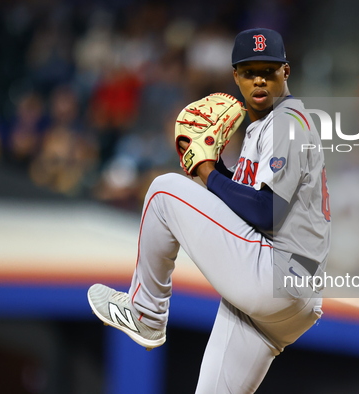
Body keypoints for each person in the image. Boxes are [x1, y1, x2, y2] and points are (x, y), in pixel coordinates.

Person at [88, 27, 331, 393]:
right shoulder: (266, 126)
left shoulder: (285, 122)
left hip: (275, 273)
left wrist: (205, 172)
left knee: (162, 191)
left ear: (286, 72)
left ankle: (146, 313)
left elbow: (266, 213)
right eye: (250, 72)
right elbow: (249, 207)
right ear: (236, 76)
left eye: (269, 70)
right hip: (287, 303)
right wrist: (214, 169)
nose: (260, 80)